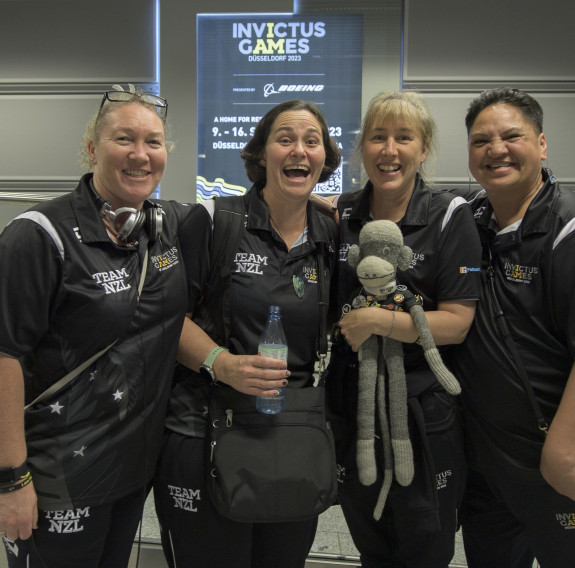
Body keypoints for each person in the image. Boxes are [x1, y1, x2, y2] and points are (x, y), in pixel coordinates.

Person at [0, 85, 204, 567]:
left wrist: (327, 211)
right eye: (124, 139)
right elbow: (4, 355)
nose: (141, 155)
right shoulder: (38, 236)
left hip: (130, 473)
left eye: (153, 142)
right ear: (92, 148)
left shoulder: (165, 226)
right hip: (57, 477)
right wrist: (10, 479)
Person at [153, 99, 341, 568]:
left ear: (324, 158)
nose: (299, 150)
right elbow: (164, 319)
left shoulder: (334, 235)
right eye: (285, 139)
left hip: (292, 434)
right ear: (261, 155)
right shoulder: (215, 221)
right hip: (203, 433)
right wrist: (223, 363)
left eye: (311, 141)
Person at [325, 91, 481, 567]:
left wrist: (379, 320)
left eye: (403, 137)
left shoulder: (449, 215)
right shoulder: (342, 214)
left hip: (420, 410)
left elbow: (456, 324)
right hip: (353, 406)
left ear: (423, 148)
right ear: (361, 148)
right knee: (370, 540)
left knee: (423, 545)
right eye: (378, 137)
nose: (389, 150)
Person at [451, 87, 575, 567]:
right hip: (485, 466)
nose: (495, 149)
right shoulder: (468, 221)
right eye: (481, 140)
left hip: (550, 459)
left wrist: (563, 450)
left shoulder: (565, 233)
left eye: (511, 136)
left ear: (541, 144)